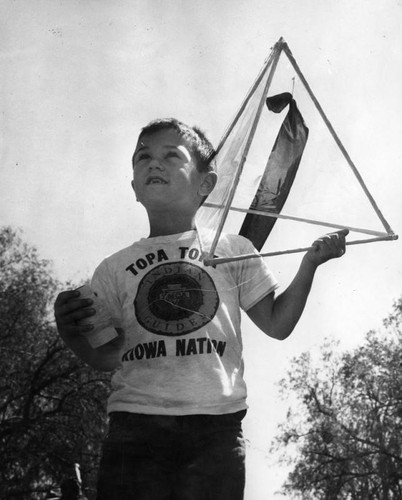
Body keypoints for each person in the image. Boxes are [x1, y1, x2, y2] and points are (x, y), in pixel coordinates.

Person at [54, 118, 348, 500]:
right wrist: (70, 332)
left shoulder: (233, 248)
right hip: (135, 425)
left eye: (170, 156)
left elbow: (278, 323)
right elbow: (108, 356)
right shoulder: (113, 268)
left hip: (217, 427)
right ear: (134, 189)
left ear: (205, 184)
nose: (153, 163)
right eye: (142, 157)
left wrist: (310, 263)